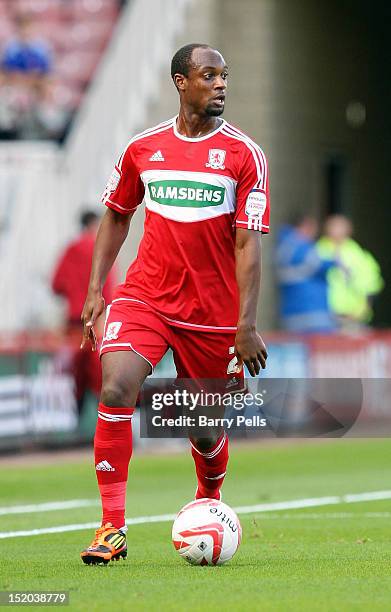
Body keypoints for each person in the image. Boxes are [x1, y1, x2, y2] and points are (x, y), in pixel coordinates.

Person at [79, 43, 269, 565]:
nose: (221, 84)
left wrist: (245, 326)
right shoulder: (144, 147)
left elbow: (248, 244)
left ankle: (209, 497)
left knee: (203, 426)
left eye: (225, 76)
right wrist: (97, 292)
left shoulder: (244, 156)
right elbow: (117, 214)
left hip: (211, 314)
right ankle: (111, 528)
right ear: (181, 83)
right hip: (146, 296)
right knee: (116, 384)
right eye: (210, 75)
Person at [52, 210, 116, 414]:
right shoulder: (103, 248)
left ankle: (72, 420)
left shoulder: (71, 248)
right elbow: (109, 288)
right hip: (96, 323)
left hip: (74, 324)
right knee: (101, 374)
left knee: (72, 376)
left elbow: (56, 284)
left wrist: (74, 294)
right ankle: (105, 419)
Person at [317, 215, 384, 328]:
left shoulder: (358, 254)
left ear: (349, 230)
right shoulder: (317, 251)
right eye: (334, 227)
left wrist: (363, 310)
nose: (337, 231)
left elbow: (372, 285)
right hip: (324, 317)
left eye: (340, 227)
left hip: (355, 316)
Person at [276, 214, 337, 333]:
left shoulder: (283, 247)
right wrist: (335, 261)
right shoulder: (300, 247)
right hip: (312, 311)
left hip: (290, 313)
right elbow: (318, 264)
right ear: (305, 227)